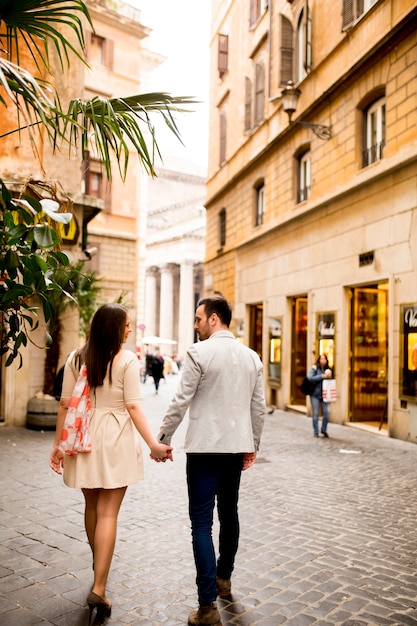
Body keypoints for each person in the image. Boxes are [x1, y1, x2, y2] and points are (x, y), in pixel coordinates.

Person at [49, 303, 172, 624]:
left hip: (83, 436)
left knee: (92, 508)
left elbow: (64, 405)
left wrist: (58, 446)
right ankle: (100, 587)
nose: (130, 329)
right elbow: (133, 406)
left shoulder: (77, 357)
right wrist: (154, 445)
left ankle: (97, 568)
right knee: (108, 512)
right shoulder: (127, 360)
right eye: (127, 325)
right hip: (115, 438)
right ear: (114, 327)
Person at [156, 295, 266, 626]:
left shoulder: (198, 352)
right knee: (229, 513)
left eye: (198, 318)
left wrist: (163, 438)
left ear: (214, 319)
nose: (195, 324)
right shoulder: (252, 358)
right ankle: (224, 578)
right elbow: (257, 407)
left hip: (204, 450)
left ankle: (207, 607)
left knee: (202, 524)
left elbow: (180, 400)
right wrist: (253, 445)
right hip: (235, 450)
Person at [307, 354, 333, 438]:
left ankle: (324, 429)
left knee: (327, 413)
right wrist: (321, 376)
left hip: (325, 395)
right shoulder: (314, 368)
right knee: (316, 413)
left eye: (324, 359)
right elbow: (310, 378)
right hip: (315, 394)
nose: (322, 360)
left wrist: (329, 375)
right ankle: (316, 431)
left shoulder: (328, 369)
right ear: (318, 360)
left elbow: (332, 381)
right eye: (321, 359)